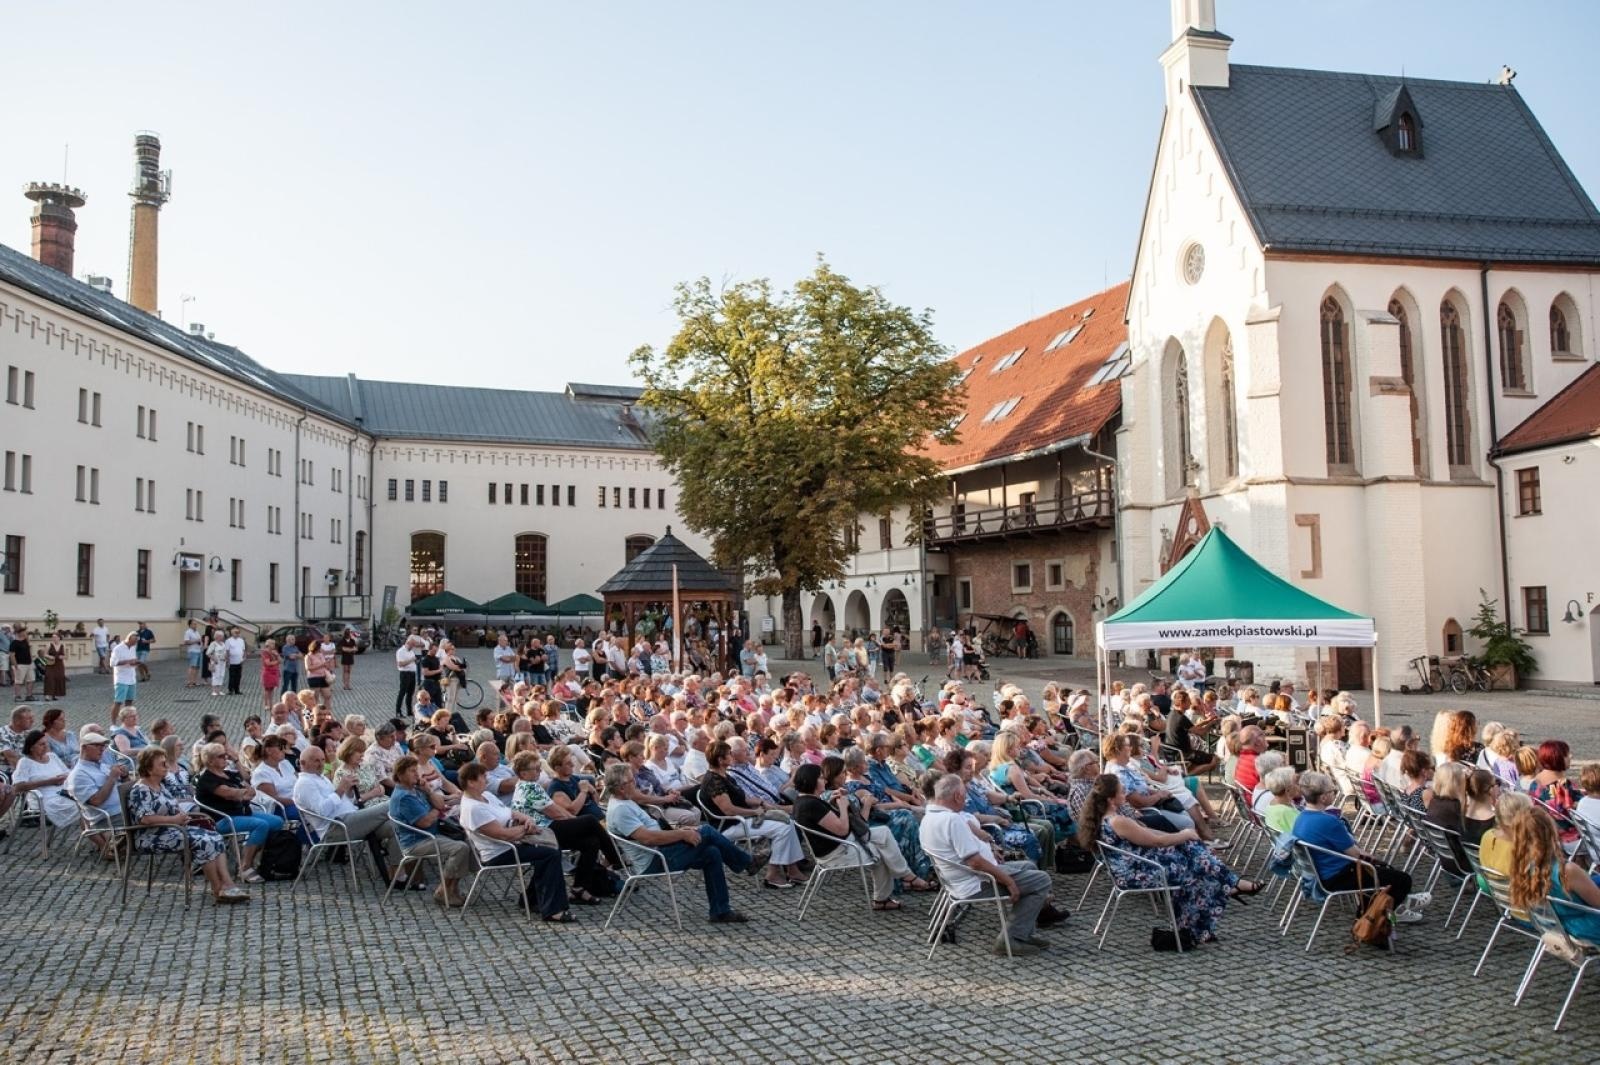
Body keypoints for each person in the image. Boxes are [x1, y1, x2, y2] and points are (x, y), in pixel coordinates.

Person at [1076, 773, 1254, 945]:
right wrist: (1184, 835)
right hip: (1138, 873)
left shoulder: (1104, 819)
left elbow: (1149, 834)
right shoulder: (1117, 821)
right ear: (1110, 799)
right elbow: (1156, 841)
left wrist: (1182, 836)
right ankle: (1228, 888)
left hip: (1136, 866)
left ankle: (1204, 919)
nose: (1125, 794)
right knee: (1196, 869)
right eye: (1122, 792)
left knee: (1192, 853)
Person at [921, 772, 1061, 955]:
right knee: (1041, 880)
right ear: (956, 796)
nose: (966, 798)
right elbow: (975, 862)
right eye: (965, 794)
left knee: (1028, 866)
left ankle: (1023, 933)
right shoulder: (952, 820)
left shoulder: (929, 817)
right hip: (974, 883)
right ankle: (1010, 940)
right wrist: (1009, 882)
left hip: (958, 880)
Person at [602, 762, 757, 924]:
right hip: (655, 860)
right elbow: (648, 838)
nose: (635, 783)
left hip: (662, 850)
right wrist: (682, 834)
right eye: (632, 781)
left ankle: (720, 911)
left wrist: (682, 832)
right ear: (621, 788)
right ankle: (748, 862)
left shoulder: (625, 801)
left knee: (712, 852)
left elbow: (653, 834)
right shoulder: (620, 809)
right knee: (707, 831)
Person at [1291, 771, 1428, 922]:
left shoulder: (1300, 817)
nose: (1334, 793)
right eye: (1332, 791)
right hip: (1336, 876)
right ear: (1323, 797)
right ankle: (1373, 917)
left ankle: (1397, 906)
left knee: (1378, 872)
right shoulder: (1329, 821)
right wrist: (1378, 861)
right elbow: (1356, 854)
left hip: (1320, 873)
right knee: (1402, 879)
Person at [127, 747, 250, 904]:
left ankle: (228, 885)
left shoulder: (160, 786)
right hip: (152, 836)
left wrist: (182, 816)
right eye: (162, 764)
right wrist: (174, 820)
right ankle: (218, 889)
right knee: (203, 842)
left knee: (215, 836)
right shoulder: (140, 790)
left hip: (173, 830)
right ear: (149, 769)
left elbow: (172, 808)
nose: (166, 767)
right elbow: (145, 819)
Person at [792, 762, 921, 909]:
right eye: (821, 778)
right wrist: (842, 806)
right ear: (812, 781)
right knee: (881, 848)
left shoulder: (803, 801)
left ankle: (897, 885)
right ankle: (900, 882)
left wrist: (829, 802)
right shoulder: (810, 805)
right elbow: (842, 829)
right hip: (837, 851)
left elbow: (822, 820)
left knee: (883, 835)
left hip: (837, 844)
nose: (825, 780)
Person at [457, 761, 574, 922]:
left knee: (552, 849)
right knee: (549, 855)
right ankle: (553, 910)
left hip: (515, 841)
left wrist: (526, 819)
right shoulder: (474, 808)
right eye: (483, 777)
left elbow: (510, 812)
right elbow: (502, 835)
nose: (487, 779)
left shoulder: (487, 796)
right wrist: (527, 829)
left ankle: (533, 899)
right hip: (499, 851)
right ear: (471, 782)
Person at [508, 751, 621, 902]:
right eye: (536, 768)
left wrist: (575, 821)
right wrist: (578, 822)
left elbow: (556, 809)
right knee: (589, 821)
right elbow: (556, 814)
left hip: (544, 829)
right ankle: (614, 858)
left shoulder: (524, 785)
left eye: (539, 767)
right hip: (543, 831)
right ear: (523, 773)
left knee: (591, 842)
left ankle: (579, 888)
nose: (540, 771)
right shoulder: (530, 788)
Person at [292, 745, 405, 884]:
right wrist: (340, 789)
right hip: (336, 828)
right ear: (303, 763)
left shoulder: (321, 779)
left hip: (351, 819)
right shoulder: (304, 783)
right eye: (316, 761)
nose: (321, 764)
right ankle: (418, 809)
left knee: (393, 825)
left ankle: (397, 874)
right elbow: (323, 810)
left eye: (322, 760)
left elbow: (345, 802)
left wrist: (349, 791)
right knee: (390, 804)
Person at [699, 740, 805, 888]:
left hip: (742, 818)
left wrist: (760, 803)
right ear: (720, 760)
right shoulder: (713, 780)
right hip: (730, 824)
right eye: (728, 754)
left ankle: (793, 870)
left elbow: (742, 798)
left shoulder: (724, 776)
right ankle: (772, 875)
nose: (732, 756)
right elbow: (728, 810)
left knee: (789, 822)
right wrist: (754, 811)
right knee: (783, 828)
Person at [388, 755, 475, 907]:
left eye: (417, 770)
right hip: (417, 841)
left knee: (467, 841)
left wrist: (428, 790)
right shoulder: (404, 797)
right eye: (412, 771)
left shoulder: (415, 789)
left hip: (431, 834)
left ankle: (452, 888)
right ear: (400, 775)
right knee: (460, 848)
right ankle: (444, 890)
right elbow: (425, 821)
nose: (417, 774)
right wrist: (437, 810)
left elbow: (439, 802)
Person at [1506, 806, 1600, 942]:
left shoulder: (1522, 867)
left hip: (1557, 924)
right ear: (1550, 832)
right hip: (1584, 927)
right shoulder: (1567, 870)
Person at [194, 741, 284, 881]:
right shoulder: (207, 779)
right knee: (261, 825)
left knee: (277, 822)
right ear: (210, 760)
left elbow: (251, 790)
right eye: (221, 756)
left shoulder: (229, 774)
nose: (226, 758)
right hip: (221, 819)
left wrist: (241, 792)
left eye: (226, 755)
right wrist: (241, 793)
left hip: (241, 813)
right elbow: (228, 793)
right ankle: (245, 867)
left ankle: (262, 859)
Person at [66, 726, 126, 856]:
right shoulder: (78, 774)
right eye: (97, 746)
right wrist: (112, 778)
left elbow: (122, 787)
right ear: (84, 748)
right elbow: (96, 801)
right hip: (108, 818)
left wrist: (125, 776)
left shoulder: (102, 766)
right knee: (151, 818)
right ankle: (114, 844)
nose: (102, 749)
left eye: (103, 746)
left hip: (122, 810)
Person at [11, 729, 78, 833]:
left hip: (64, 792)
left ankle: (99, 839)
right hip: (43, 798)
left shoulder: (52, 756)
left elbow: (67, 772)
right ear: (32, 747)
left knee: (88, 802)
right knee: (82, 807)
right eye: (42, 744)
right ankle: (98, 840)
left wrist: (64, 776)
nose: (46, 746)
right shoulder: (25, 762)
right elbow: (18, 787)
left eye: (46, 743)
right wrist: (49, 781)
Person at [1527, 739, 1582, 848]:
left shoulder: (1536, 782)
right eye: (1566, 754)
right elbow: (1581, 809)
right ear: (1556, 758)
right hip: (1567, 836)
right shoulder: (1562, 787)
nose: (1571, 756)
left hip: (1544, 833)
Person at [110, 632, 140, 715]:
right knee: (118, 702)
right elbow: (112, 663)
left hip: (131, 678)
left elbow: (133, 659)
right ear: (129, 638)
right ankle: (113, 723)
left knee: (129, 701)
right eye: (133, 642)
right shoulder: (118, 649)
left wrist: (135, 663)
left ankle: (126, 722)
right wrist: (128, 661)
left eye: (136, 642)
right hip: (121, 678)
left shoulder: (133, 647)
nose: (134, 644)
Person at [394, 636, 419, 718]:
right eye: (413, 645)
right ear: (408, 643)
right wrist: (412, 660)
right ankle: (398, 711)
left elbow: (413, 660)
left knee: (410, 693)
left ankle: (409, 711)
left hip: (412, 673)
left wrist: (415, 661)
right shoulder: (400, 651)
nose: (413, 647)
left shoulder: (411, 651)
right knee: (402, 692)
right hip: (405, 674)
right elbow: (400, 664)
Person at [40, 634, 66, 701]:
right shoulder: (49, 645)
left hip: (59, 664)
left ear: (59, 638)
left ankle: (54, 695)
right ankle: (47, 695)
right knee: (49, 678)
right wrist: (50, 657)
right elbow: (44, 654)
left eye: (55, 637)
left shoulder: (62, 645)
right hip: (50, 664)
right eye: (53, 637)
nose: (54, 638)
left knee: (58, 678)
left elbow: (65, 655)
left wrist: (62, 657)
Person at [259, 639, 282, 712]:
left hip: (274, 672)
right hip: (268, 672)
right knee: (267, 689)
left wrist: (277, 655)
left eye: (274, 644)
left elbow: (281, 660)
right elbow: (268, 663)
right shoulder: (265, 652)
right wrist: (277, 662)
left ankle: (271, 704)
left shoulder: (274, 652)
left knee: (272, 689)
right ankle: (266, 704)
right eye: (272, 644)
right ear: (268, 645)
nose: (273, 645)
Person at [182, 620, 204, 688]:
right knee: (192, 667)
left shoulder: (197, 632)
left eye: (196, 624)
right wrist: (196, 641)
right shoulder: (188, 632)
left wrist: (201, 644)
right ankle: (189, 682)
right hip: (192, 651)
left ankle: (194, 681)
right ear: (190, 625)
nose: (195, 625)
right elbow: (186, 642)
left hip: (198, 651)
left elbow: (199, 640)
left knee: (197, 667)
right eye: (194, 624)